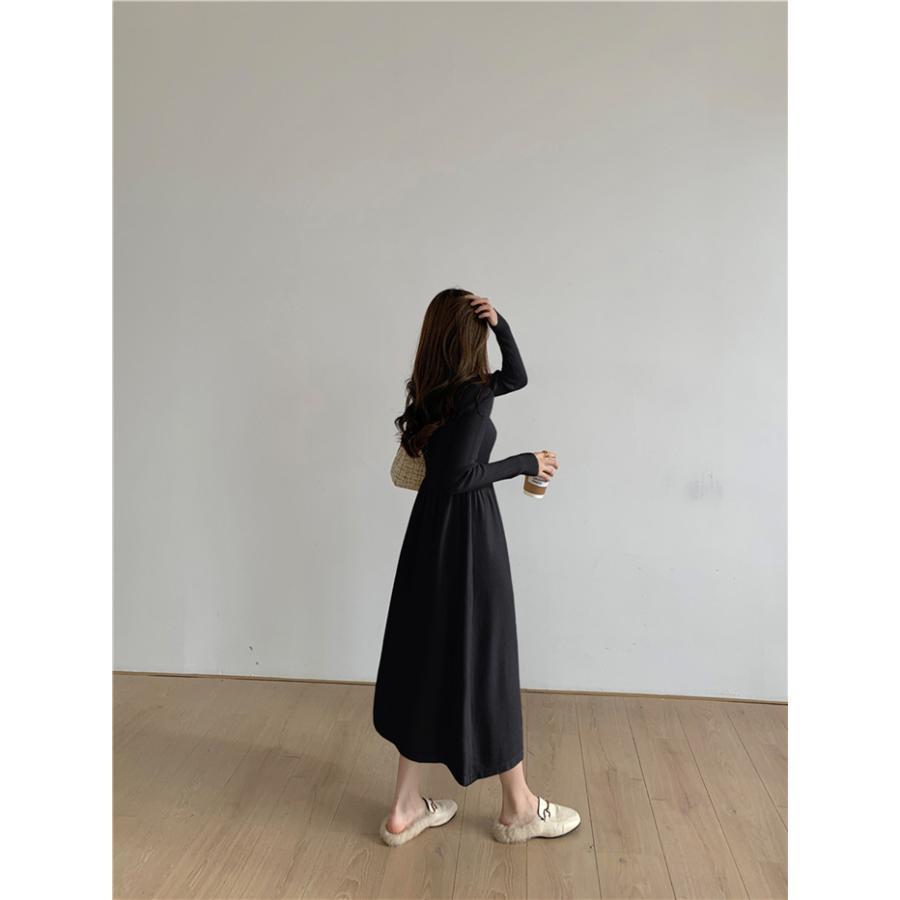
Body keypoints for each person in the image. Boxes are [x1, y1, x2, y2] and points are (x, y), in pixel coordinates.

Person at [373, 288, 582, 846]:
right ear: (470, 339)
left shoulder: (433, 393)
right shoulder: (470, 397)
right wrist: (525, 462)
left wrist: (501, 325)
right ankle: (519, 807)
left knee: (427, 657)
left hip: (428, 539)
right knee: (487, 657)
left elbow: (517, 377)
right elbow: (458, 478)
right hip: (467, 540)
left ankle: (404, 806)